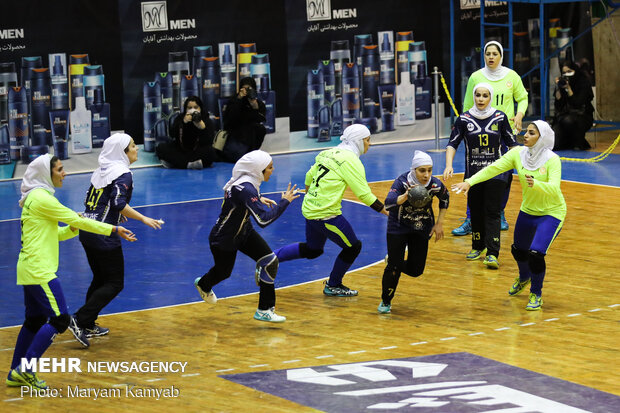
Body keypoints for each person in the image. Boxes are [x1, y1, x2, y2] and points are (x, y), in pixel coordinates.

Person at [6, 154, 135, 390]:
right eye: (60, 169)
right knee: (61, 319)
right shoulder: (44, 200)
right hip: (39, 270)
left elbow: (54, 234)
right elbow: (85, 222)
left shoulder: (34, 198)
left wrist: (74, 227)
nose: (64, 173)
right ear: (47, 173)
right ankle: (25, 370)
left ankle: (15, 372)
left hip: (28, 267)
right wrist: (113, 228)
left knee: (34, 320)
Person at [452, 121, 566, 311]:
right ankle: (524, 277)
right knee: (518, 250)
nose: (526, 136)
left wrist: (536, 184)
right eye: (526, 132)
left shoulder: (552, 159)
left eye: (531, 133)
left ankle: (536, 294)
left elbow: (554, 189)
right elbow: (493, 168)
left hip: (551, 212)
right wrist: (470, 182)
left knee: (536, 253)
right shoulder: (517, 154)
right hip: (528, 210)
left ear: (542, 137)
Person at [274, 124, 388, 297]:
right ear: (358, 141)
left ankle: (269, 258)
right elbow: (364, 194)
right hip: (326, 214)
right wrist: (388, 212)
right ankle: (333, 285)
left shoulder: (329, 152)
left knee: (314, 250)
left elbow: (308, 176)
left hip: (309, 209)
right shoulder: (351, 161)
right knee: (353, 247)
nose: (369, 144)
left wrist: (312, 196)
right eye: (367, 140)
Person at [70, 134, 162, 347]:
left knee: (100, 279)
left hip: (87, 230)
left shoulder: (99, 171)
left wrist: (118, 217)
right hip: (104, 234)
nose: (136, 149)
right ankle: (79, 319)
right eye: (132, 146)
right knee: (114, 283)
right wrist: (143, 218)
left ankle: (88, 323)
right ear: (122, 152)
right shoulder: (123, 174)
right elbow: (118, 202)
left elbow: (98, 203)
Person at [194, 150, 299, 322]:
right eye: (270, 167)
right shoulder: (246, 189)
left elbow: (239, 199)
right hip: (224, 239)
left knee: (270, 261)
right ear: (258, 170)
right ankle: (203, 284)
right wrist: (284, 202)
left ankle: (264, 310)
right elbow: (263, 220)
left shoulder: (246, 183)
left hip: (244, 231)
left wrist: (258, 199)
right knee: (223, 273)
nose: (273, 170)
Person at [453, 40, 529, 236]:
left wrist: (519, 115)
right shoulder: (476, 77)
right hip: (478, 135)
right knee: (474, 173)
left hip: (504, 134)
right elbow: (467, 105)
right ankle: (471, 218)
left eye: (495, 53)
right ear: (484, 56)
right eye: (488, 53)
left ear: (501, 56)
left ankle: (499, 212)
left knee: (503, 176)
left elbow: (523, 98)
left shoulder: (512, 76)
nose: (491, 57)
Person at [444, 83, 517, 269]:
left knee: (492, 212)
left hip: (497, 174)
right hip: (473, 175)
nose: (481, 99)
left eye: (485, 95)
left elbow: (512, 144)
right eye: (478, 95)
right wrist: (449, 165)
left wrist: (521, 166)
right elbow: (452, 143)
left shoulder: (500, 117)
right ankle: (478, 246)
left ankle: (493, 253)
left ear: (490, 97)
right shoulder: (464, 119)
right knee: (475, 211)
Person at [379, 151, 449, 314]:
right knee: (394, 268)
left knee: (416, 270)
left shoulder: (435, 184)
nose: (426, 175)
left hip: (422, 227)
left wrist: (439, 223)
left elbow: (445, 198)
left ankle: (393, 260)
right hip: (398, 227)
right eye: (422, 170)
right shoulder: (402, 182)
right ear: (414, 170)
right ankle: (386, 301)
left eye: (429, 170)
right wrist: (403, 198)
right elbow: (388, 203)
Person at [156, 95, 216, 169]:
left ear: (200, 108)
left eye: (196, 107)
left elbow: (209, 141)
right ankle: (189, 164)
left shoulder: (206, 119)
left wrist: (202, 128)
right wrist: (183, 123)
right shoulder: (180, 118)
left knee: (211, 152)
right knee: (161, 148)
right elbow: (172, 134)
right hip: (181, 150)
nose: (193, 110)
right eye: (189, 108)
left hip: (197, 151)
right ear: (185, 108)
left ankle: (180, 164)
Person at [219, 77, 267, 163]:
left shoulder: (257, 103)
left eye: (249, 89)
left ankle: (251, 153)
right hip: (236, 132)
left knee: (260, 128)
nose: (246, 91)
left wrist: (255, 107)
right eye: (244, 88)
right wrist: (239, 99)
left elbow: (261, 119)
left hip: (250, 134)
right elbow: (229, 119)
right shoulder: (234, 100)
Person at [552, 60, 593, 151]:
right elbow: (558, 105)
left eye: (569, 72)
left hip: (582, 115)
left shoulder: (583, 82)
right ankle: (570, 141)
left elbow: (578, 103)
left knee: (568, 121)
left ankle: (578, 141)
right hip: (563, 117)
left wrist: (569, 89)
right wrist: (558, 89)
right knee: (555, 144)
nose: (567, 75)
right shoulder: (563, 82)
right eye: (564, 73)